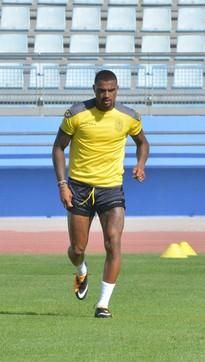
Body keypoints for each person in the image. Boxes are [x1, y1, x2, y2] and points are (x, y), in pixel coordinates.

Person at [51, 70, 150, 318]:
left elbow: (142, 142)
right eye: (102, 90)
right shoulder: (76, 114)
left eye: (111, 90)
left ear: (117, 89)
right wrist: (62, 184)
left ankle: (103, 304)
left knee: (113, 242)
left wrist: (140, 164)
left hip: (111, 188)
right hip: (79, 188)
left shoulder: (129, 117)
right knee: (77, 248)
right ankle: (82, 271)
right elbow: (58, 148)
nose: (106, 95)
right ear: (94, 89)